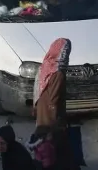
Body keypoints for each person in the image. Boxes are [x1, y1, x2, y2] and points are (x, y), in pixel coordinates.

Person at [34, 38, 75, 169]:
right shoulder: (58, 73)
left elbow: (37, 90)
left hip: (41, 114)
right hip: (51, 119)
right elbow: (54, 101)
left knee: (42, 152)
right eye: (66, 52)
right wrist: (53, 127)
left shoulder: (45, 66)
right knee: (55, 154)